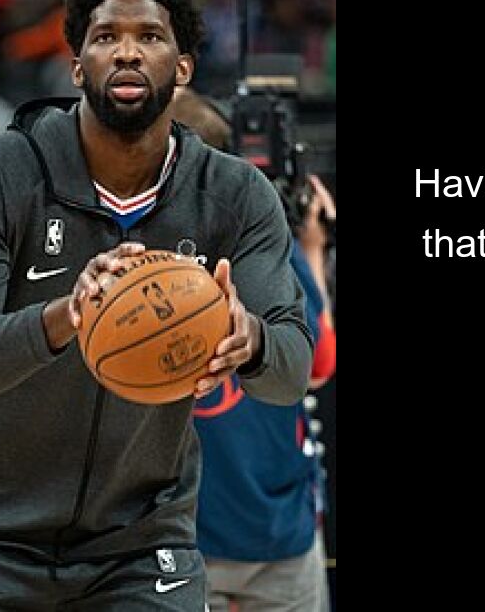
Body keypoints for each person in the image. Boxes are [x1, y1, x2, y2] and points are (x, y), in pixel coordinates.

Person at [0, 0, 313, 608]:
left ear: (184, 67)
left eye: (150, 37)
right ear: (77, 64)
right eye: (106, 37)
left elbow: (292, 370)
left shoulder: (234, 195)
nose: (128, 53)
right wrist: (66, 317)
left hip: (139, 545)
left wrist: (246, 340)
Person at [170, 85, 337, 612]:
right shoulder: (266, 236)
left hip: (177, 535)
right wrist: (312, 251)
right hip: (273, 529)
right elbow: (320, 365)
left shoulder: (133, 253)